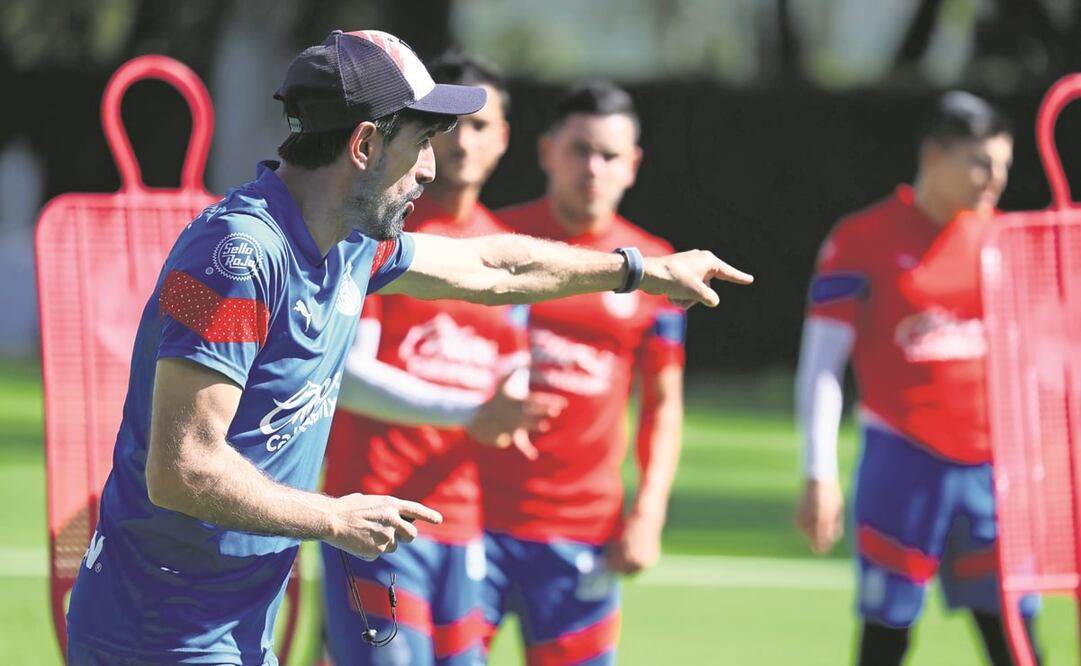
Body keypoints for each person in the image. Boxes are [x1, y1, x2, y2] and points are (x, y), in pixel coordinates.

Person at [63, 29, 751, 665]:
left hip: (229, 625)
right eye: (421, 141)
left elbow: (491, 268)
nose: (432, 167)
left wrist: (638, 269)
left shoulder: (350, 243)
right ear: (364, 145)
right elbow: (182, 467)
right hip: (155, 633)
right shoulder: (236, 259)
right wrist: (332, 516)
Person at [320, 52, 563, 666]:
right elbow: (345, 375)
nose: (460, 143)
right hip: (374, 514)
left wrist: (513, 411)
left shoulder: (501, 253)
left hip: (460, 523)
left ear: (505, 138)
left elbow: (508, 387)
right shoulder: (379, 229)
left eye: (480, 125)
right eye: (444, 127)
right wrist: (472, 410)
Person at [794, 91, 1039, 666]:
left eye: (1004, 164)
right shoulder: (863, 238)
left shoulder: (1008, 240)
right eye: (980, 162)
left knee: (1017, 643)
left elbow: (1041, 363)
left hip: (994, 474)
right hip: (902, 464)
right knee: (887, 638)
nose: (995, 179)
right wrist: (818, 472)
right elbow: (822, 365)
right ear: (933, 156)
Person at [475, 82, 690, 665]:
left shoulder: (655, 268)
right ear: (547, 152)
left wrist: (648, 512)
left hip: (584, 529)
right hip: (474, 516)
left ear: (634, 165)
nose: (593, 169)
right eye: (579, 150)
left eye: (610, 155)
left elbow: (664, 404)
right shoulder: (492, 242)